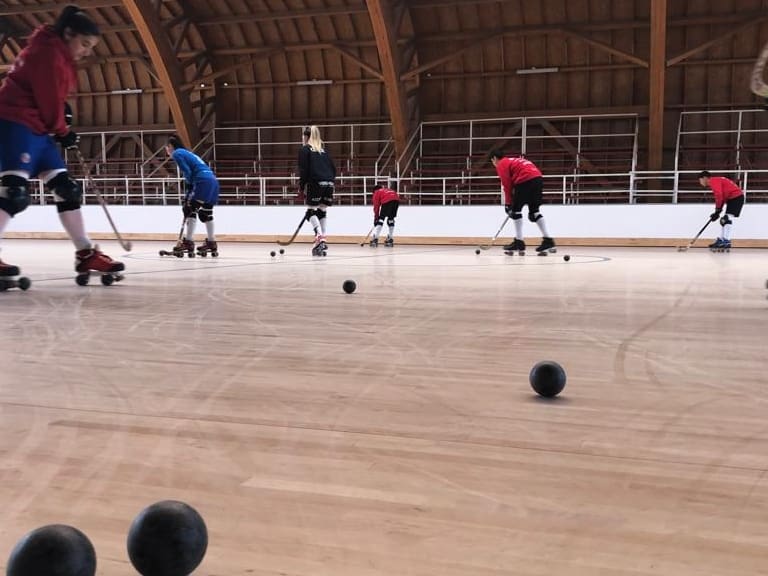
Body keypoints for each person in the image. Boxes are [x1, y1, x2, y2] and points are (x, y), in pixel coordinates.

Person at [0, 5, 123, 281]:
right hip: (15, 124)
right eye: (84, 44)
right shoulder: (48, 53)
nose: (87, 51)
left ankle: (85, 253)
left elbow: (51, 98)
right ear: (68, 34)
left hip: (37, 130)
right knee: (14, 194)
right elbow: (48, 99)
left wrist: (58, 126)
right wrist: (63, 130)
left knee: (67, 190)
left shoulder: (56, 52)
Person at [489, 150, 555, 254]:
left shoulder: (501, 164)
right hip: (537, 179)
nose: (494, 164)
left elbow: (507, 185)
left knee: (515, 212)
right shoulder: (513, 160)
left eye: (492, 162)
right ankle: (548, 240)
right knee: (534, 213)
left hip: (525, 180)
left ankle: (519, 242)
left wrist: (508, 204)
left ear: (494, 159)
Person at [165, 135, 220, 257]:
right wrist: (189, 191)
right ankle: (212, 242)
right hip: (212, 181)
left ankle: (188, 242)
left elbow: (187, 171)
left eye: (167, 147)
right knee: (206, 213)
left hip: (202, 181)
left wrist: (189, 187)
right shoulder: (187, 153)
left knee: (189, 209)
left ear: (170, 147)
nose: (167, 151)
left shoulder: (177, 154)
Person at [298, 125, 336, 256]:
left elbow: (304, 170)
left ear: (306, 137)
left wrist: (301, 187)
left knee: (310, 211)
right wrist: (330, 182)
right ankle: (323, 237)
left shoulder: (305, 150)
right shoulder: (324, 150)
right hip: (329, 183)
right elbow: (333, 168)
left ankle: (319, 236)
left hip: (315, 182)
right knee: (322, 210)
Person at [698, 170, 744, 251]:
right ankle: (722, 239)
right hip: (732, 198)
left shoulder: (713, 181)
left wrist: (718, 209)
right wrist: (717, 211)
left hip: (736, 198)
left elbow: (719, 195)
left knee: (727, 219)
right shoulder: (716, 181)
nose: (700, 182)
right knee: (723, 220)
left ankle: (726, 241)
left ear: (705, 178)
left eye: (700, 180)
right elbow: (721, 197)